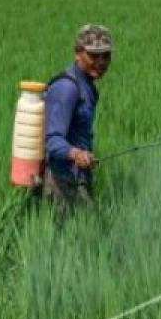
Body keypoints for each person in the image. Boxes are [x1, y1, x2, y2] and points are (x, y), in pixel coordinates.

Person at [41, 24, 112, 212]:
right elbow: (52, 140)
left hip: (77, 176)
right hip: (60, 180)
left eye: (106, 55)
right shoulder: (68, 88)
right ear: (77, 53)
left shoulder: (87, 85)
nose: (101, 62)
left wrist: (84, 155)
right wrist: (77, 154)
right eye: (94, 55)